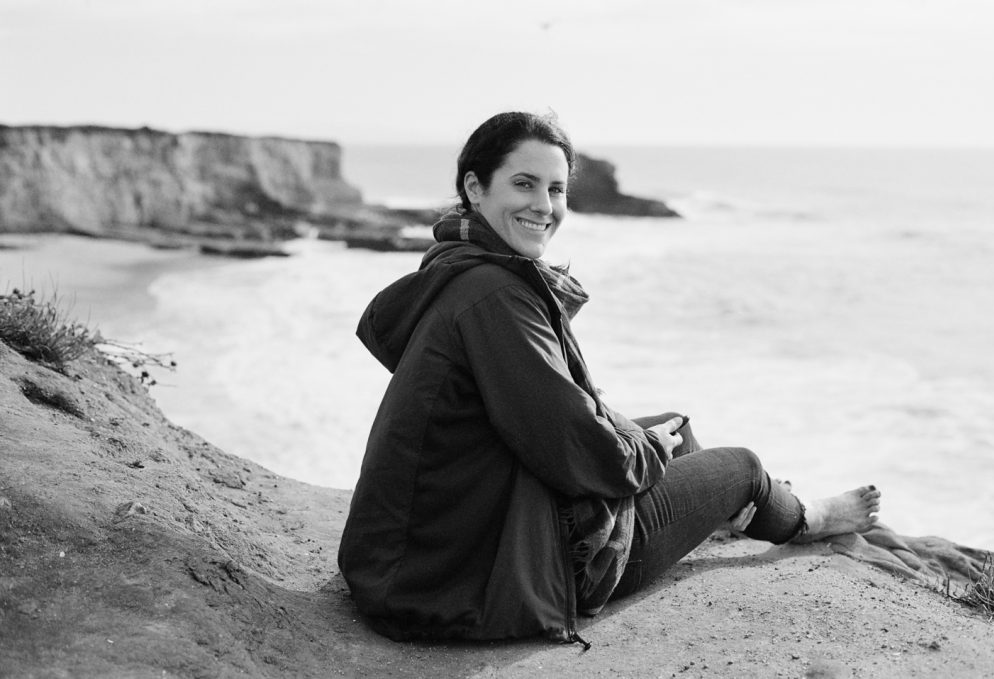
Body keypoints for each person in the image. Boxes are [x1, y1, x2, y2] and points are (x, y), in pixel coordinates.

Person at [338, 111, 881, 646]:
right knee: (743, 467)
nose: (543, 206)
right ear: (475, 188)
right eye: (524, 184)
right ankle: (806, 519)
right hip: (478, 576)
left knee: (677, 427)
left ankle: (727, 515)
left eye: (555, 189)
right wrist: (647, 446)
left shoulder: (458, 265)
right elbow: (581, 452)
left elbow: (545, 413)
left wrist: (643, 436)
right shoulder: (495, 296)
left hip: (433, 548)